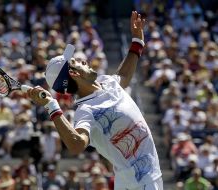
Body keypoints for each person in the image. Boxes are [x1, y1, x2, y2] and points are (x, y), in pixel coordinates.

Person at [27, 11, 163, 189]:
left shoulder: (105, 82)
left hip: (146, 178)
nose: (84, 61)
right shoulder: (86, 111)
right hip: (138, 184)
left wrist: (137, 42)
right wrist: (52, 106)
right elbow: (76, 145)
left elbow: (123, 76)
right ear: (74, 73)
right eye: (77, 62)